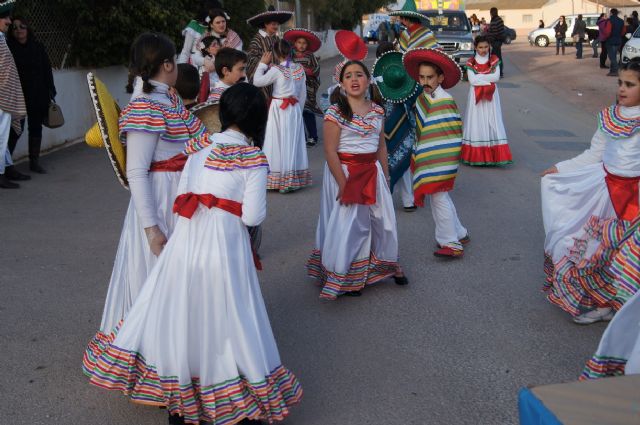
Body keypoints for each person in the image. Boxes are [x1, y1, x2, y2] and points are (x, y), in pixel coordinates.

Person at [83, 83, 303, 425]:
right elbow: (253, 217)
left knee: (187, 314)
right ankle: (232, 398)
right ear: (258, 119)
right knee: (229, 315)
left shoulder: (197, 146)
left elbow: (183, 191)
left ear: (224, 113)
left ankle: (181, 404)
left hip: (187, 238)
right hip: (225, 243)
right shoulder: (253, 159)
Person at [85, 33, 206, 347]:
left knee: (183, 280)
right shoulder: (146, 105)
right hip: (162, 201)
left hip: (182, 197)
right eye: (174, 61)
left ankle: (182, 352)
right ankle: (155, 358)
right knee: (159, 279)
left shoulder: (168, 98)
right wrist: (152, 229)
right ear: (167, 64)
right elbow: (137, 171)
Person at [540, 57, 640, 324]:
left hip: (635, 198)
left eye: (630, 84)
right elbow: (594, 154)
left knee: (629, 256)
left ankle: (627, 312)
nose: (621, 88)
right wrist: (560, 168)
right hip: (606, 191)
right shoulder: (611, 116)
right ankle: (604, 304)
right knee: (595, 251)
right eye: (620, 82)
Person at [307, 60, 408, 299]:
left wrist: (385, 175)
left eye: (359, 75)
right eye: (348, 75)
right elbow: (330, 151)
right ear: (341, 83)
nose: (354, 79)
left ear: (368, 81)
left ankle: (382, 263)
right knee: (351, 224)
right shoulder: (335, 112)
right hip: (346, 173)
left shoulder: (377, 110)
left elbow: (382, 145)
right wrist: (343, 183)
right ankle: (347, 273)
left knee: (381, 220)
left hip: (371, 171)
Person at [403, 47, 470, 258]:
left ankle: (450, 242)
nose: (425, 81)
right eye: (421, 77)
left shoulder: (445, 101)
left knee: (438, 197)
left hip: (441, 160)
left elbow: (452, 135)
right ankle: (460, 233)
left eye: (430, 77)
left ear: (440, 77)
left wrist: (437, 158)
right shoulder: (422, 98)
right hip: (427, 157)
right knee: (441, 196)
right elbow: (421, 130)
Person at [253, 39, 311, 193]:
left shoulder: (276, 70)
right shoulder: (299, 69)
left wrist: (263, 64)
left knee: (277, 141)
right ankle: (291, 178)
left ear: (275, 53)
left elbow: (257, 81)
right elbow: (303, 94)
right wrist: (299, 110)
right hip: (295, 108)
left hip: (279, 108)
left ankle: (279, 179)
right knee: (292, 141)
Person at [6, 15, 56, 174]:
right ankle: (7, 166)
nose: (18, 30)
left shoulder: (38, 47)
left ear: (28, 28)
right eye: (14, 27)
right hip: (18, 96)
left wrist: (50, 91)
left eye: (22, 26)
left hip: (38, 94)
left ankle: (34, 162)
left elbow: (47, 70)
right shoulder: (9, 48)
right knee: (15, 130)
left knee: (36, 128)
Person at [373, 43, 419, 211]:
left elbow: (416, 96)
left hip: (401, 126)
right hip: (382, 127)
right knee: (385, 163)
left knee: (402, 162)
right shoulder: (373, 81)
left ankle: (405, 200)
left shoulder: (404, 76)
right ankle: (398, 199)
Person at [461, 35, 511, 167]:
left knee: (492, 120)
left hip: (492, 96)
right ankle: (477, 156)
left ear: (490, 46)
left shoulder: (494, 60)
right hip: (475, 97)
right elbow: (472, 81)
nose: (483, 50)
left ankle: (494, 155)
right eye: (480, 47)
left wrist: (479, 77)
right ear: (475, 47)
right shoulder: (471, 62)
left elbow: (496, 78)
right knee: (477, 121)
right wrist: (486, 78)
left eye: (486, 47)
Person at [0, 0, 28, 189]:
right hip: (1, 97)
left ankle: (7, 167)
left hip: (6, 96)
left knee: (4, 133)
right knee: (1, 135)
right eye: (4, 17)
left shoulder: (1, 38)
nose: (9, 21)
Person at [285, 28, 322, 147]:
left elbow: (316, 69)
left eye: (304, 43)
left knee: (308, 111)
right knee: (297, 113)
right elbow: (285, 67)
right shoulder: (290, 55)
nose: (301, 45)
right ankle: (302, 137)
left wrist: (307, 70)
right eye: (299, 43)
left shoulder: (310, 55)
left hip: (308, 88)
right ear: (294, 43)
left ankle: (313, 136)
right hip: (295, 87)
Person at [246, 5, 293, 99]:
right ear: (266, 24)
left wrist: (287, 65)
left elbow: (286, 55)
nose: (276, 26)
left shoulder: (277, 39)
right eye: (273, 24)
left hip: (277, 78)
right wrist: (266, 65)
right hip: (263, 80)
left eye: (277, 24)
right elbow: (251, 59)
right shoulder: (257, 40)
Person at [606, 8, 625, 77]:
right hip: (619, 40)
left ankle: (617, 70)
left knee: (612, 57)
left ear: (611, 13)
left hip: (611, 41)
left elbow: (608, 32)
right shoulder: (621, 21)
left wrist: (606, 37)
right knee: (613, 56)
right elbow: (623, 32)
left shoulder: (609, 21)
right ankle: (612, 71)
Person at [488, 7, 505, 77]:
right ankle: (498, 72)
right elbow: (501, 31)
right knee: (497, 57)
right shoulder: (500, 19)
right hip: (499, 40)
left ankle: (499, 72)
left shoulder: (494, 21)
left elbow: (494, 33)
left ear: (491, 13)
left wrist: (489, 39)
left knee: (495, 57)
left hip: (496, 41)